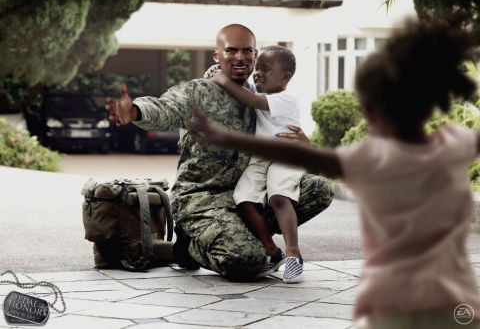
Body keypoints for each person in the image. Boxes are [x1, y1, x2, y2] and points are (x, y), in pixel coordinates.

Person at [192, 17, 480, 328]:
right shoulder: (450, 146)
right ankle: (276, 252)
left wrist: (227, 136)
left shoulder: (369, 156)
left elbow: (290, 150)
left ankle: (289, 254)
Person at [105, 24, 333, 281]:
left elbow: (283, 125)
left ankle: (243, 236)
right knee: (246, 259)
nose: (240, 57)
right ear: (217, 55)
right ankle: (189, 246)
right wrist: (135, 111)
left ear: (255, 54)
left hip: (245, 196)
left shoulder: (259, 90)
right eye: (231, 50)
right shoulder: (199, 92)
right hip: (202, 199)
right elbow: (167, 108)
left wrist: (306, 145)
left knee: (320, 190)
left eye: (247, 51)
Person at [207, 45, 305, 283]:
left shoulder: (286, 99)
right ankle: (273, 252)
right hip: (260, 158)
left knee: (279, 196)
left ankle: (293, 255)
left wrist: (221, 79)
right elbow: (243, 90)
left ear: (285, 77)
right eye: (257, 69)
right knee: (244, 199)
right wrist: (215, 72)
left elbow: (249, 99)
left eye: (265, 70)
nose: (257, 73)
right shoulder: (260, 92)